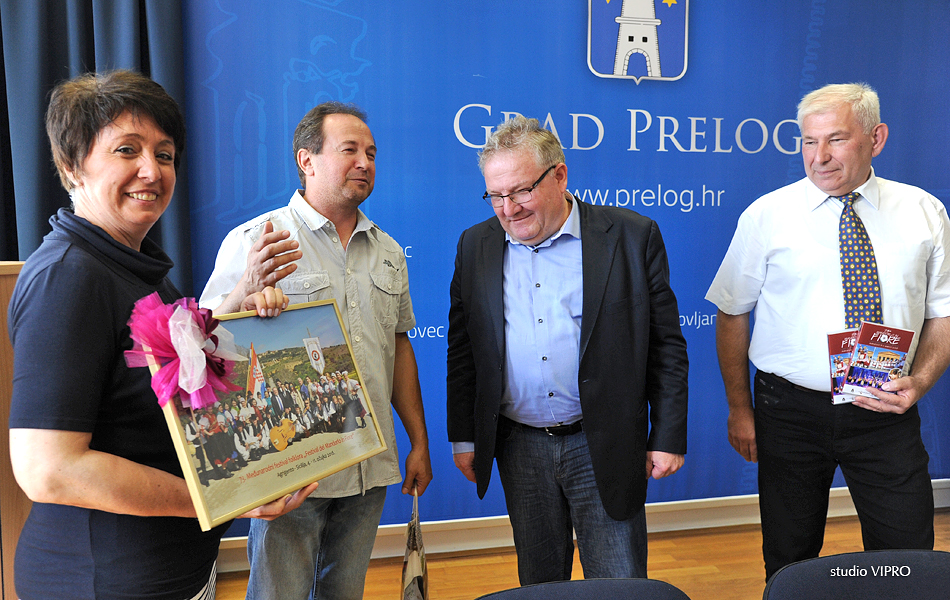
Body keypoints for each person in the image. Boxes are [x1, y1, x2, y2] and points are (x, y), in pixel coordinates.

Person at [6, 70, 316, 600]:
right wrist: (222, 498)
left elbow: (162, 367)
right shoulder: (69, 277)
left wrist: (238, 301)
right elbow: (48, 469)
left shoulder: (132, 266)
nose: (151, 170)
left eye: (165, 154)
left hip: (172, 571)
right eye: (127, 150)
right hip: (103, 581)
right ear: (71, 166)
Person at [705, 83, 950, 580]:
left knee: (908, 559)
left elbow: (943, 313)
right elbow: (732, 313)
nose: (819, 158)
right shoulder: (767, 215)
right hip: (789, 412)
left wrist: (920, 382)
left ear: (876, 138)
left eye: (836, 140)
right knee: (789, 557)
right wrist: (739, 409)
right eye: (808, 142)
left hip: (885, 406)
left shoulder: (924, 211)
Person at [199, 101, 432, 599]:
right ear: (307, 160)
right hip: (291, 471)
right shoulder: (257, 241)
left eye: (371, 153)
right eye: (349, 150)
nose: (364, 163)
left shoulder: (389, 251)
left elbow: (398, 347)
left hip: (369, 465)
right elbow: (204, 346)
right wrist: (245, 298)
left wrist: (419, 441)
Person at [446, 115, 689, 584]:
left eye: (521, 191)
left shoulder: (631, 236)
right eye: (495, 195)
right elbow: (464, 351)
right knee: (540, 584)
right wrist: (465, 437)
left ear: (559, 175)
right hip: (518, 446)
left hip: (603, 442)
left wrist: (667, 435)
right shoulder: (475, 245)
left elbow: (666, 347)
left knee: (619, 584)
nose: (508, 209)